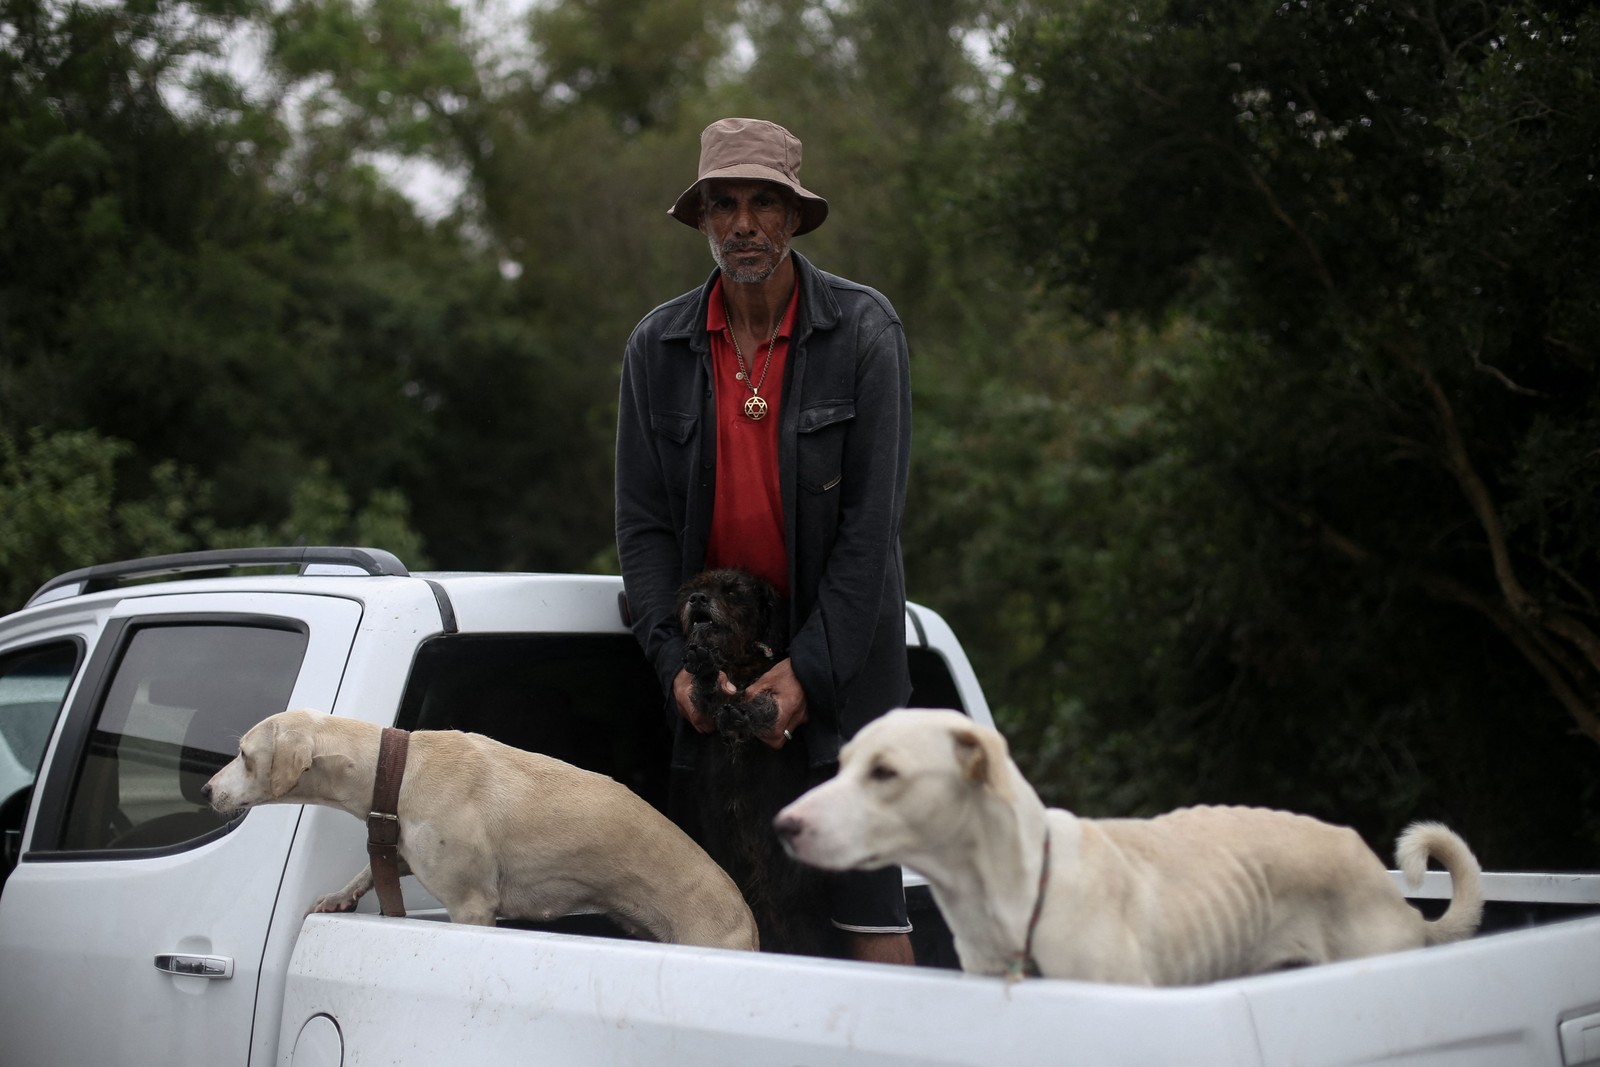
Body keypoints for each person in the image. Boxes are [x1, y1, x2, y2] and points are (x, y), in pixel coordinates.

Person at [615, 117, 915, 965]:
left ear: (792, 216)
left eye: (762, 204)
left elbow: (870, 530)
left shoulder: (863, 331)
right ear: (703, 219)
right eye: (725, 205)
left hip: (845, 673)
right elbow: (639, 528)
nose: (743, 224)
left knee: (868, 921)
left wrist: (809, 674)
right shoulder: (657, 347)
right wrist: (676, 662)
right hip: (711, 675)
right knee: (717, 925)